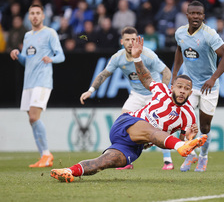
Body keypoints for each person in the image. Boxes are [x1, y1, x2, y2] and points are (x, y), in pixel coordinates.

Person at [50, 36, 208, 183]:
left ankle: (69, 171)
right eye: (179, 87)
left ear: (190, 92)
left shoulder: (189, 116)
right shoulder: (161, 90)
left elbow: (179, 141)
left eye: (186, 88)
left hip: (135, 145)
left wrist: (188, 139)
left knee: (104, 162)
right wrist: (137, 57)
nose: (182, 90)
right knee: (152, 131)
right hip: (127, 124)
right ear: (172, 87)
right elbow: (146, 77)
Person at [79, 27, 175, 170]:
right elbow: (104, 74)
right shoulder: (118, 57)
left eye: (133, 39)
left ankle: (168, 161)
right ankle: (127, 161)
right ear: (122, 42)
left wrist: (163, 93)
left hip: (153, 94)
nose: (131, 43)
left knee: (158, 126)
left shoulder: (148, 55)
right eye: (128, 40)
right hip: (136, 94)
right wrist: (91, 90)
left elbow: (166, 72)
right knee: (123, 123)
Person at [172, 0, 224, 172]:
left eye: (199, 14)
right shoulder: (180, 33)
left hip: (208, 87)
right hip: (189, 86)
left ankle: (203, 157)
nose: (196, 16)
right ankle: (190, 155)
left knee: (204, 127)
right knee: (183, 122)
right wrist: (175, 74)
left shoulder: (209, 34)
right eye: (193, 13)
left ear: (203, 16)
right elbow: (179, 50)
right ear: (187, 15)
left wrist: (213, 78)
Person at [9, 4, 65, 167]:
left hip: (43, 81)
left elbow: (61, 55)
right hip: (29, 83)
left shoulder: (50, 33)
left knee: (34, 116)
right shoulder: (27, 36)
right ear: (28, 16)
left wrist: (51, 59)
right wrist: (18, 55)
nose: (35, 16)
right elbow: (27, 60)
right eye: (32, 13)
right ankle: (43, 157)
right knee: (32, 120)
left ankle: (47, 154)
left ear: (43, 16)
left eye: (38, 13)